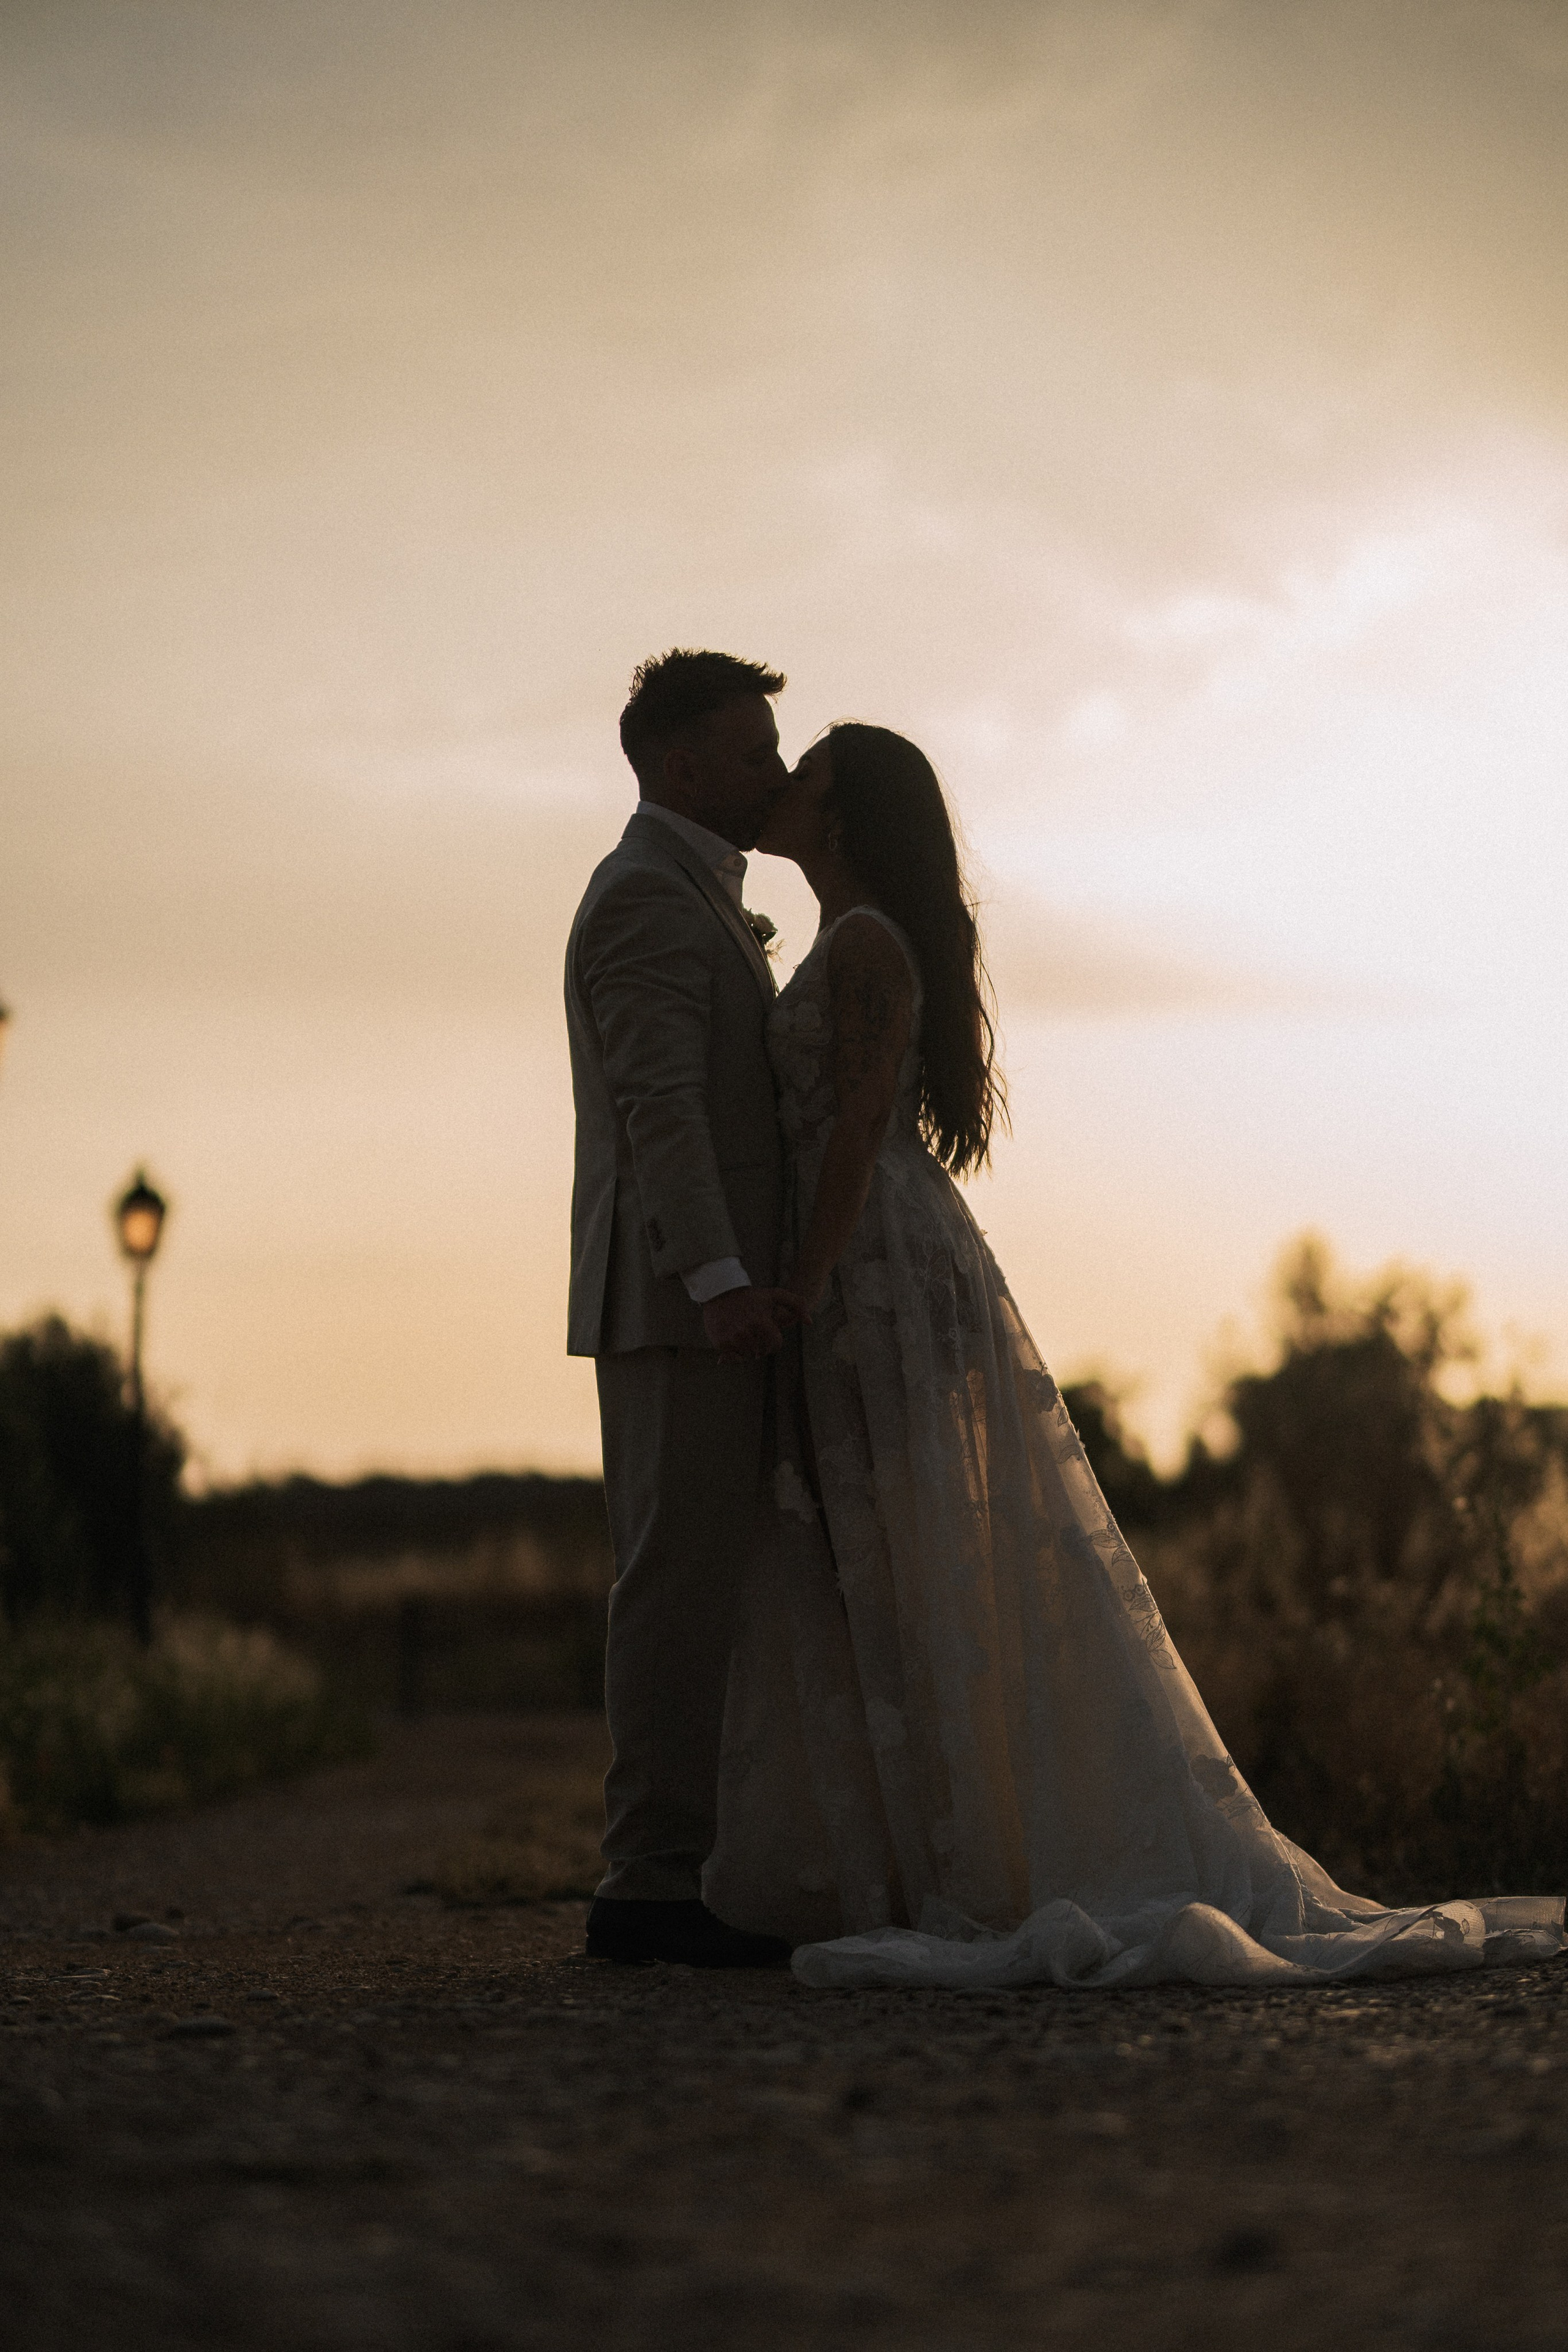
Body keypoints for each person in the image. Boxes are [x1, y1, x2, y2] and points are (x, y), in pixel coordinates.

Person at [701, 722, 1566, 1989]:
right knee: (872, 1553)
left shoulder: (870, 945)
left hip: (874, 1267)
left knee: (908, 1544)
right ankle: (908, 1842)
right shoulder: (847, 938)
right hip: (854, 1261)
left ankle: (971, 1853)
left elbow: (855, 1130)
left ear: (844, 815)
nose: (783, 790)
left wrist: (805, 1285)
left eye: (808, 778)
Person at [565, 649, 800, 1967]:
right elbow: (658, 1105)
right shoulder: (647, 899)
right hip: (675, 1301)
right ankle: (647, 1882)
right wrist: (713, 1280)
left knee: (708, 1574)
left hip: (712, 1297)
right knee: (672, 1579)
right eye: (752, 751)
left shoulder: (689, 892)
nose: (772, 772)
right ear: (677, 765)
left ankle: (691, 1865)